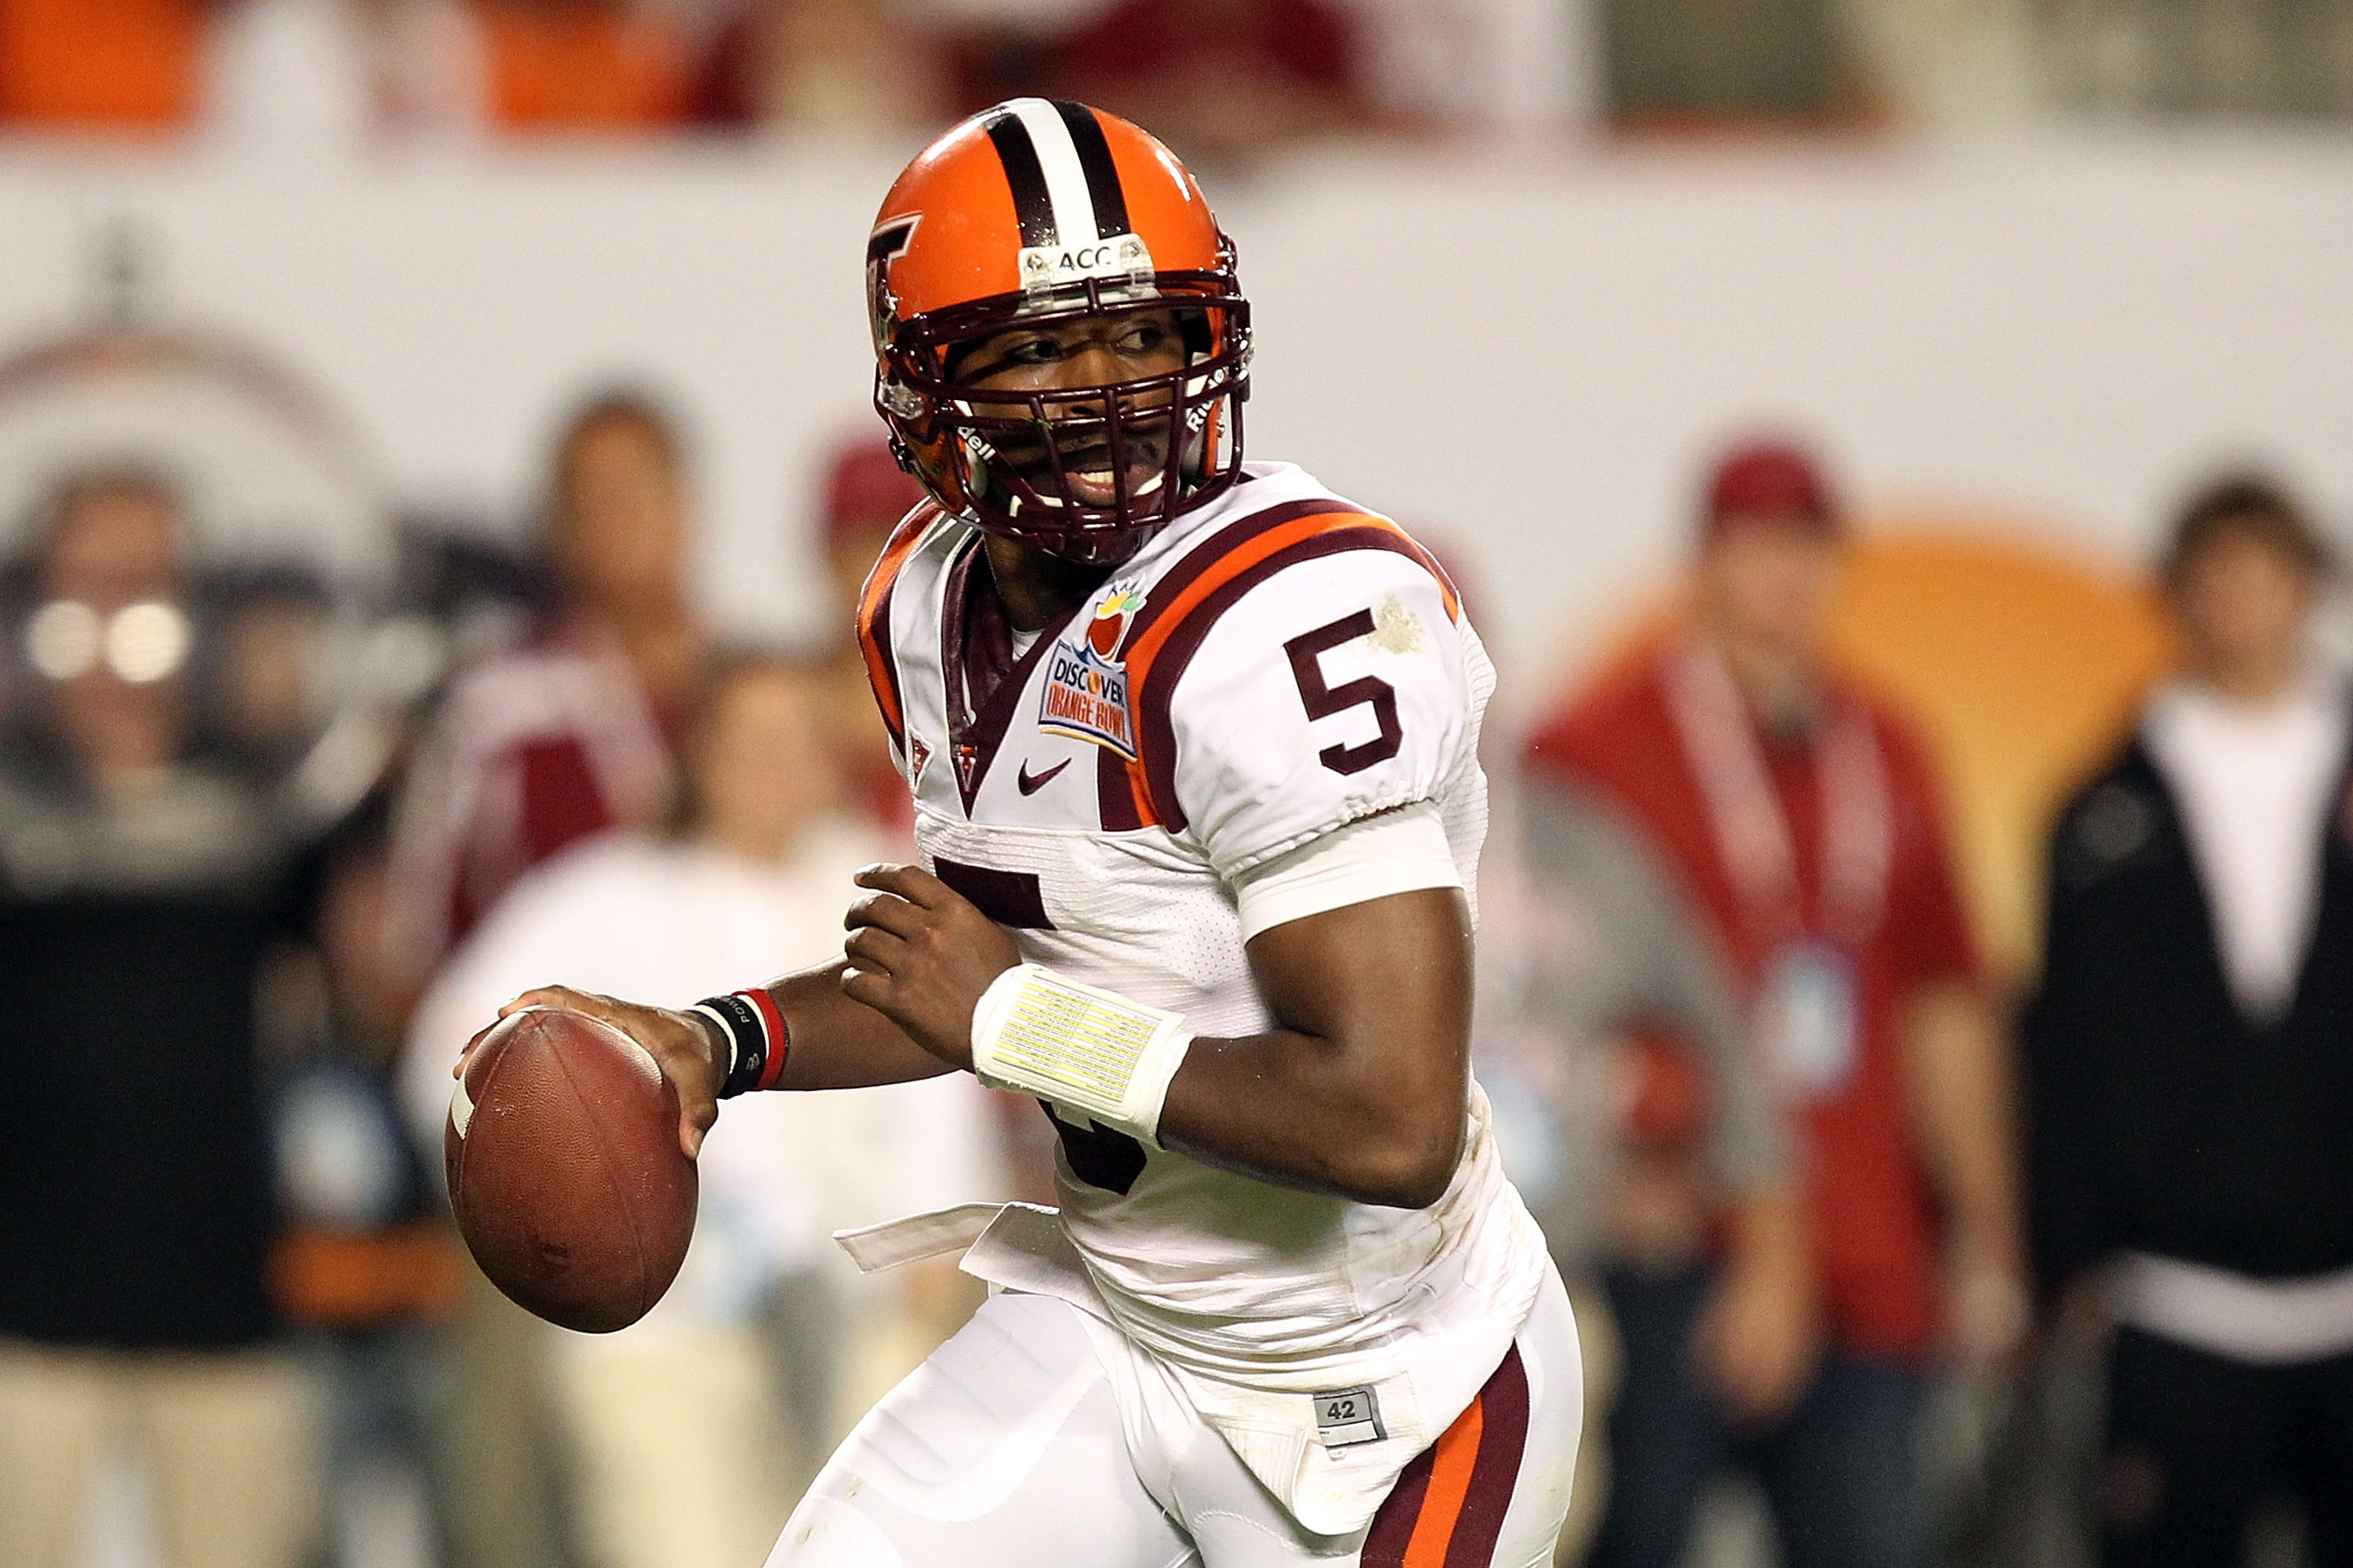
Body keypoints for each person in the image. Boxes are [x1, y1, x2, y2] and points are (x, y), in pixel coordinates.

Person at [475, 99, 1579, 1566]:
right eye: (1042, 345)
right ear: (926, 391)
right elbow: (970, 964)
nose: (1107, 387)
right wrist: (715, 1043)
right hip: (1120, 1323)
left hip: (1389, 1379)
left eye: (1141, 333)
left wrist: (1017, 1023)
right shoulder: (923, 605)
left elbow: (1391, 1115)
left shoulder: (1293, 624)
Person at [1523, 438, 2025, 1568]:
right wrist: (1603, 1170)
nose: (1780, 580)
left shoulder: (1890, 747)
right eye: (1752, 548)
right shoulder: (1593, 746)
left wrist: (1987, 1229)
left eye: (1804, 549)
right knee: (1632, 1533)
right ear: (1700, 564)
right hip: (1670, 1240)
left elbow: (1943, 1001)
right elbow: (1527, 1008)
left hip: (1866, 1248)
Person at [409, 650, 1006, 1567]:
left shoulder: (883, 890)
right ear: (695, 753)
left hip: (863, 1311)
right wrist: (559, 1190)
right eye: (748, 739)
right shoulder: (600, 893)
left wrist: (941, 1248)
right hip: (670, 1318)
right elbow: (446, 1058)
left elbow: (946, 1076)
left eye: (796, 738)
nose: (773, 763)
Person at [2025, 474, 2353, 1566]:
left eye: (2266, 568)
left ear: (2310, 584)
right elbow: (2064, 1045)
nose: (2241, 599)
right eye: (2215, 571)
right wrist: (2064, 1255)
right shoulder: (2105, 813)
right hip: (2174, 1306)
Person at [0, 467, 321, 1568]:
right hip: (19, 1316)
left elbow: (373, 981)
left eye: (149, 581)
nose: (118, 616)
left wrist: (293, 718)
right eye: (89, 580)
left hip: (222, 1304)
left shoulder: (272, 803)